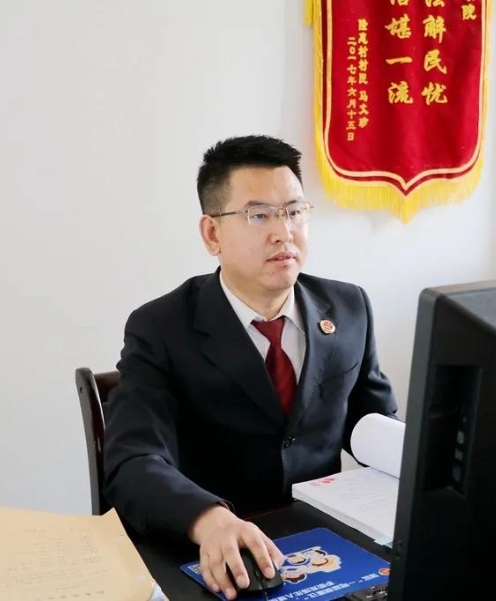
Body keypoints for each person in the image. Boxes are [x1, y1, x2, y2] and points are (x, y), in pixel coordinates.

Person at [103, 135, 397, 600]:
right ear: (212, 234)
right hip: (218, 555)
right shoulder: (161, 327)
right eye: (258, 215)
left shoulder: (347, 307)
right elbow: (134, 460)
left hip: (328, 545)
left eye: (295, 211)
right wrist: (209, 520)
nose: (284, 233)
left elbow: (374, 427)